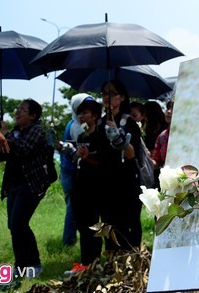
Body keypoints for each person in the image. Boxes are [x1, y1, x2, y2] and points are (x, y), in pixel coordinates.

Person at [0, 99, 55, 280]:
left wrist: (3, 135)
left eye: (23, 110)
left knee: (19, 223)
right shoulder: (15, 132)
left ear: (33, 116)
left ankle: (34, 263)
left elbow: (24, 149)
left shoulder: (37, 131)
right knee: (14, 225)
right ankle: (21, 265)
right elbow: (1, 156)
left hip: (31, 184)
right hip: (13, 185)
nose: (18, 112)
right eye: (18, 109)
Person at [97, 79, 144, 250]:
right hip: (106, 180)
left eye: (111, 93)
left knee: (128, 220)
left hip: (126, 180)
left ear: (122, 97)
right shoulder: (101, 123)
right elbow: (98, 152)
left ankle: (133, 260)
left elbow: (132, 154)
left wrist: (118, 137)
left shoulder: (128, 122)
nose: (106, 97)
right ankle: (112, 260)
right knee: (108, 221)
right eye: (103, 93)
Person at [64, 99, 104, 276]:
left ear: (95, 115)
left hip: (94, 188)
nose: (81, 116)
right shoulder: (82, 136)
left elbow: (100, 162)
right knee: (81, 224)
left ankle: (94, 262)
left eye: (85, 113)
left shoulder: (100, 136)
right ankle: (85, 262)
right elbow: (79, 159)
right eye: (80, 113)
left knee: (93, 226)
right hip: (79, 185)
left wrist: (87, 156)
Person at [59, 93, 94, 247]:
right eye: (82, 109)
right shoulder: (76, 127)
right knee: (73, 208)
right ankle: (68, 241)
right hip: (71, 172)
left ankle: (71, 240)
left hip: (69, 171)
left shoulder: (73, 123)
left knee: (74, 207)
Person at [151, 98, 174, 187]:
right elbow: (157, 162)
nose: (168, 111)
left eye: (173, 108)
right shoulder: (162, 136)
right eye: (168, 108)